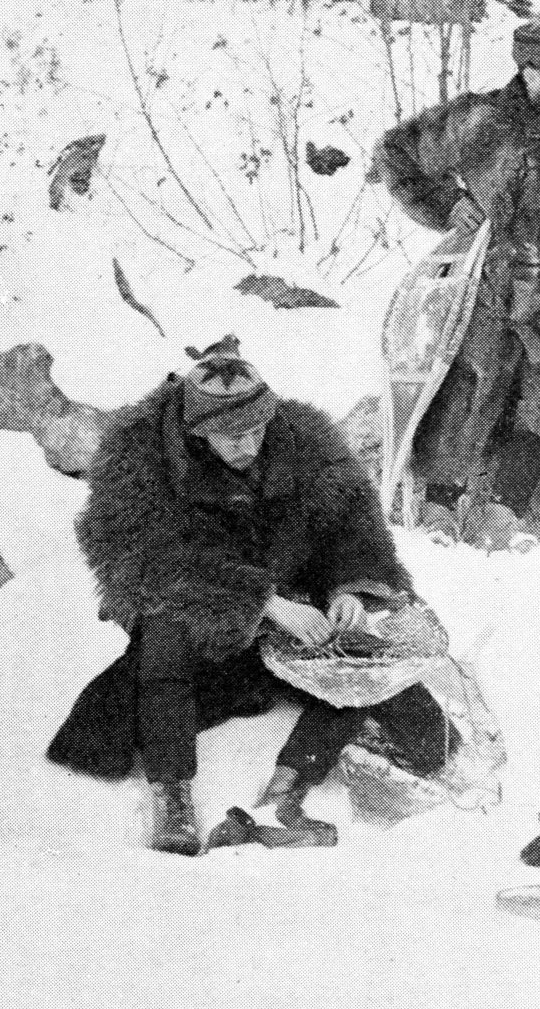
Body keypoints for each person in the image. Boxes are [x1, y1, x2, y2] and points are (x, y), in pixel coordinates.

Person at [46, 338, 451, 856]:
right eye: (229, 436)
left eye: (256, 430)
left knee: (389, 690)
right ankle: (173, 794)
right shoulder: (142, 459)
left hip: (297, 599)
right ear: (197, 431)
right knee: (156, 657)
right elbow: (146, 564)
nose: (247, 445)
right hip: (198, 606)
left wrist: (350, 587)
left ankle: (289, 787)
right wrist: (263, 603)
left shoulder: (305, 441)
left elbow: (352, 529)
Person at [373, 19, 540, 516]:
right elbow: (396, 153)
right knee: (466, 403)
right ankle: (443, 511)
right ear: (530, 73)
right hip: (487, 295)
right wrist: (446, 204)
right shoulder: (477, 120)